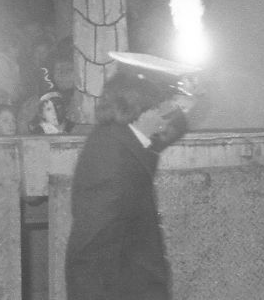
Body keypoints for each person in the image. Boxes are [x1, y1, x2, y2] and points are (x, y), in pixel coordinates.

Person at [64, 52, 192, 300]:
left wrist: (187, 106)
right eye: (161, 108)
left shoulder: (122, 138)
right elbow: (90, 252)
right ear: (141, 110)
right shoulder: (111, 160)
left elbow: (157, 141)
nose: (165, 116)